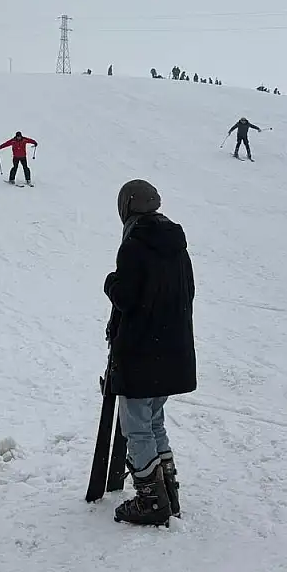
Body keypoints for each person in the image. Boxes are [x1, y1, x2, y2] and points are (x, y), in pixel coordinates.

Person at [103, 180, 195, 526]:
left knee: (137, 425)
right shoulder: (177, 245)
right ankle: (167, 491)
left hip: (142, 351)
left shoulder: (134, 245)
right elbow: (188, 291)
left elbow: (126, 297)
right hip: (171, 349)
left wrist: (110, 282)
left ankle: (151, 501)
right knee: (154, 419)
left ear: (127, 206)